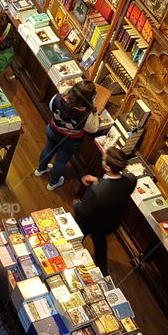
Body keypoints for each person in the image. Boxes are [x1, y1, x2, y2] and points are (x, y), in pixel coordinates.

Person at [74, 146, 135, 275]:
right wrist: (98, 181)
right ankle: (103, 273)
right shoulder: (131, 180)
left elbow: (84, 212)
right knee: (100, 245)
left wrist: (76, 204)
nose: (102, 158)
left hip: (90, 222)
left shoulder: (96, 191)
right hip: (109, 223)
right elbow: (114, 188)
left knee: (75, 240)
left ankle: (71, 261)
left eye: (103, 159)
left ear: (107, 168)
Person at [34, 79, 99, 191]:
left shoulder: (58, 98)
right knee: (61, 161)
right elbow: (93, 129)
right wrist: (94, 110)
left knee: (48, 149)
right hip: (70, 140)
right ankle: (53, 183)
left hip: (53, 131)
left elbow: (51, 107)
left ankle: (40, 169)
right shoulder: (87, 113)